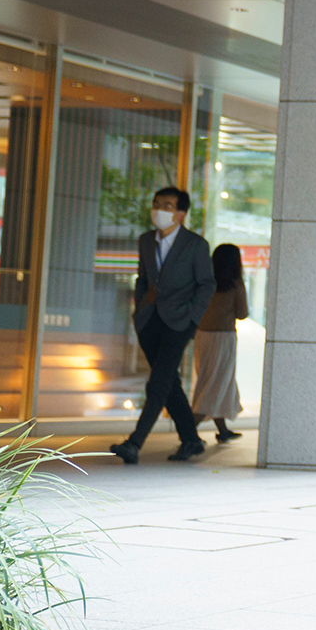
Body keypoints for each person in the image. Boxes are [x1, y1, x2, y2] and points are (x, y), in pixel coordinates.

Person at [111, 186, 215, 464]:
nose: (158, 210)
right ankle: (191, 440)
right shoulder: (146, 240)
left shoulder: (195, 245)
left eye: (167, 206)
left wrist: (192, 319)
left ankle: (134, 443)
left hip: (179, 322)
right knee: (168, 382)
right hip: (149, 320)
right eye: (156, 203)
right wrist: (140, 306)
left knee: (158, 382)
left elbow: (207, 285)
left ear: (180, 214)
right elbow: (142, 278)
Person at [190, 243, 250, 442]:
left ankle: (222, 430)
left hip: (202, 337)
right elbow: (242, 314)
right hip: (223, 339)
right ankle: (188, 432)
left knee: (211, 381)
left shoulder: (206, 283)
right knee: (216, 384)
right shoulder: (235, 285)